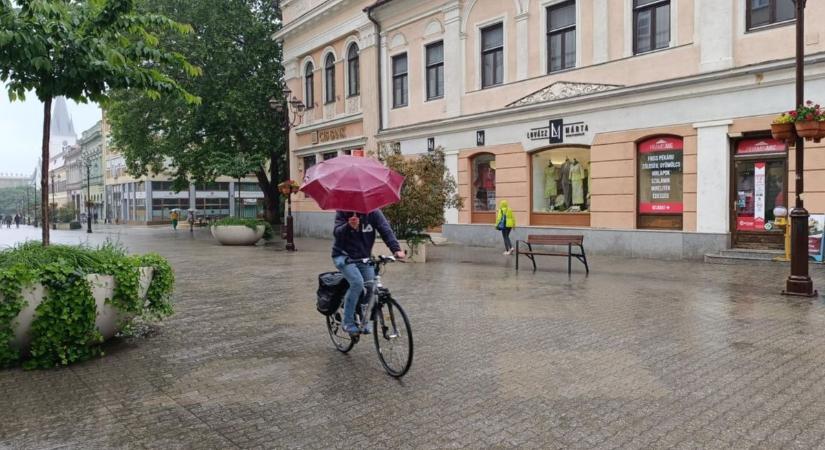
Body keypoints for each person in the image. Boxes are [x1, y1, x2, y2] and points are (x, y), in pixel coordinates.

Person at [332, 210, 405, 335]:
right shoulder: (343, 211)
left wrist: (396, 249)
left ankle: (363, 321)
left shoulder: (373, 212)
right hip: (343, 256)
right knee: (357, 283)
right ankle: (348, 322)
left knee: (370, 286)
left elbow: (385, 230)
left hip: (363, 257)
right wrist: (348, 226)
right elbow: (336, 233)